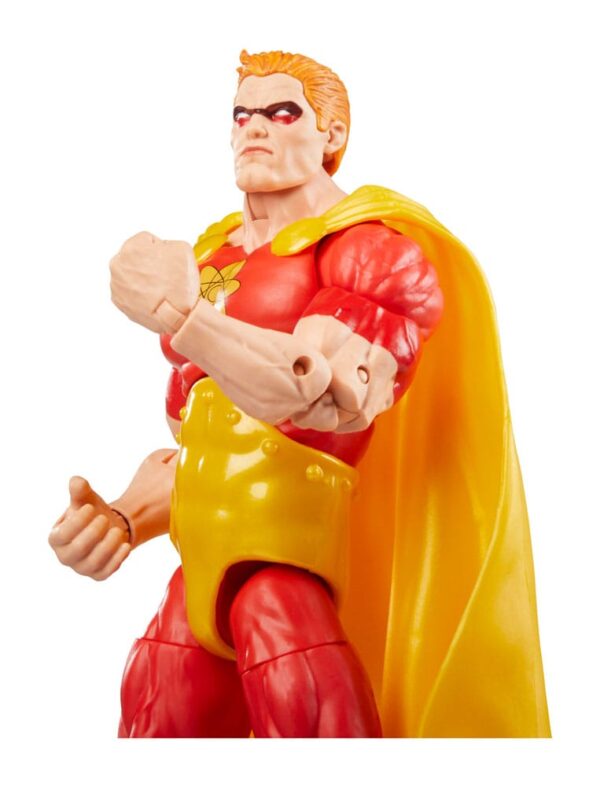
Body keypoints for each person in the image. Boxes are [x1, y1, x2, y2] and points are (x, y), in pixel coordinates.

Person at [49, 50, 550, 738]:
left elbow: (320, 393)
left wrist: (184, 319)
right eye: (241, 115)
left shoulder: (370, 248)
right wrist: (125, 517)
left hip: (286, 567)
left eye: (282, 113)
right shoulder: (212, 257)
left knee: (309, 717)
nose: (254, 128)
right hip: (200, 568)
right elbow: (210, 437)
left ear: (332, 134)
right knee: (155, 709)